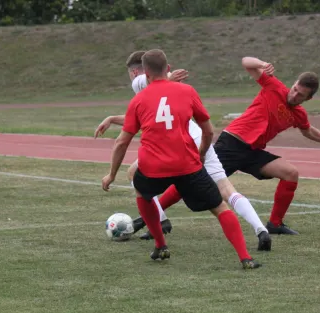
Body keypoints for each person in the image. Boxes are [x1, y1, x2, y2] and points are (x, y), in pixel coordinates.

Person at [101, 49, 262, 269]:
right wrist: (202, 153)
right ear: (167, 69)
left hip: (152, 168)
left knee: (142, 191)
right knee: (220, 207)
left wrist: (111, 174)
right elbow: (208, 130)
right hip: (187, 164)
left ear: (145, 74)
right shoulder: (187, 91)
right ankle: (245, 258)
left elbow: (121, 142)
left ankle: (160, 244)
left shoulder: (139, 100)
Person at [214, 57, 320, 235]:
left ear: (308, 98)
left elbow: (308, 131)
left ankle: (275, 224)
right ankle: (164, 215)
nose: (294, 95)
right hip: (232, 143)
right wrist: (262, 64)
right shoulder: (274, 86)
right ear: (293, 84)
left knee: (290, 173)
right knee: (197, 182)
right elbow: (245, 62)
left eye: (300, 95)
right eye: (295, 89)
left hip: (253, 152)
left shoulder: (298, 114)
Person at [95, 50, 189, 238]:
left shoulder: (139, 81)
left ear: (136, 72)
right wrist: (113, 118)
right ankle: (161, 221)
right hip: (182, 138)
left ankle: (159, 224)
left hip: (175, 142)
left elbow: (131, 126)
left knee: (215, 191)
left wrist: (168, 77)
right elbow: (137, 117)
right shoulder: (152, 87)